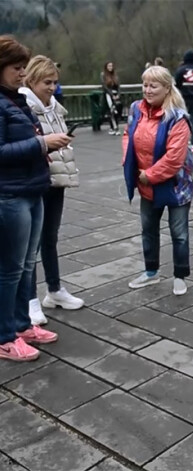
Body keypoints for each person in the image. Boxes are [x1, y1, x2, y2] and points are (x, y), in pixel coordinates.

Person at [0, 35, 66, 361]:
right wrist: (42, 145)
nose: (22, 74)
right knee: (10, 269)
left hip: (33, 189)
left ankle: (22, 325)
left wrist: (45, 147)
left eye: (24, 67)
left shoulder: (18, 100)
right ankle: (4, 336)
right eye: (16, 67)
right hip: (10, 195)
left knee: (27, 265)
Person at [20, 55, 84, 325]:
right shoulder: (22, 107)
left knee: (50, 237)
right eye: (47, 82)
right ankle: (30, 299)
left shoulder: (55, 107)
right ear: (32, 80)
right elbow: (27, 144)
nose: (52, 88)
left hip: (56, 179)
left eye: (55, 82)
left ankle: (55, 289)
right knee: (30, 244)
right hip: (35, 180)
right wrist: (49, 142)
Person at [123, 65, 193, 296]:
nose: (147, 89)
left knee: (179, 233)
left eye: (153, 85)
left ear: (166, 88)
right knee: (148, 230)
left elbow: (174, 158)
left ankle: (180, 276)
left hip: (176, 186)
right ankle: (151, 272)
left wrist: (149, 175)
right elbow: (128, 135)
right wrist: (129, 162)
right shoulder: (136, 109)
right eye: (145, 84)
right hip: (146, 184)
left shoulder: (177, 118)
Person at [101, 61, 122, 135]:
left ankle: (116, 126)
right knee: (111, 111)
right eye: (109, 66)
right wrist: (111, 94)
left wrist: (118, 94)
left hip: (116, 95)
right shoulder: (103, 75)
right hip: (108, 95)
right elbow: (104, 86)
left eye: (111, 66)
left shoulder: (115, 75)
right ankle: (113, 127)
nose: (110, 67)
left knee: (117, 110)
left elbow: (118, 86)